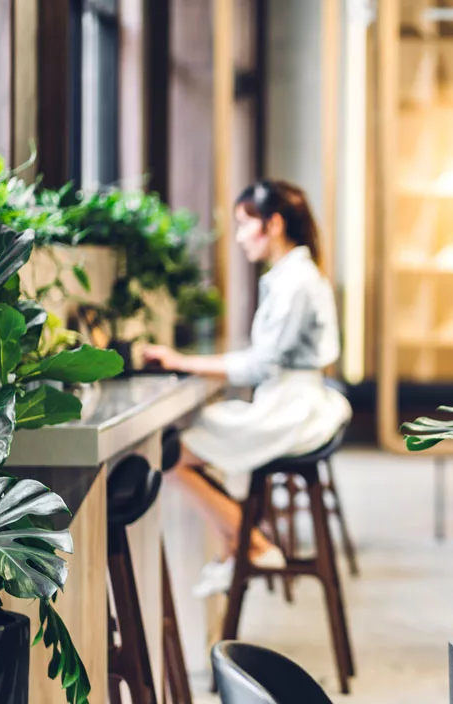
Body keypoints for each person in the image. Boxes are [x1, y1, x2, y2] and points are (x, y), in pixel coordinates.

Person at [143, 180, 351, 598]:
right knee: (191, 440)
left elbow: (261, 364)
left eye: (243, 224)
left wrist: (183, 361)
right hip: (293, 401)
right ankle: (236, 544)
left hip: (293, 408)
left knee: (168, 453)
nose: (238, 237)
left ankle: (248, 542)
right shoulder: (293, 276)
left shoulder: (295, 282)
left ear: (272, 224)